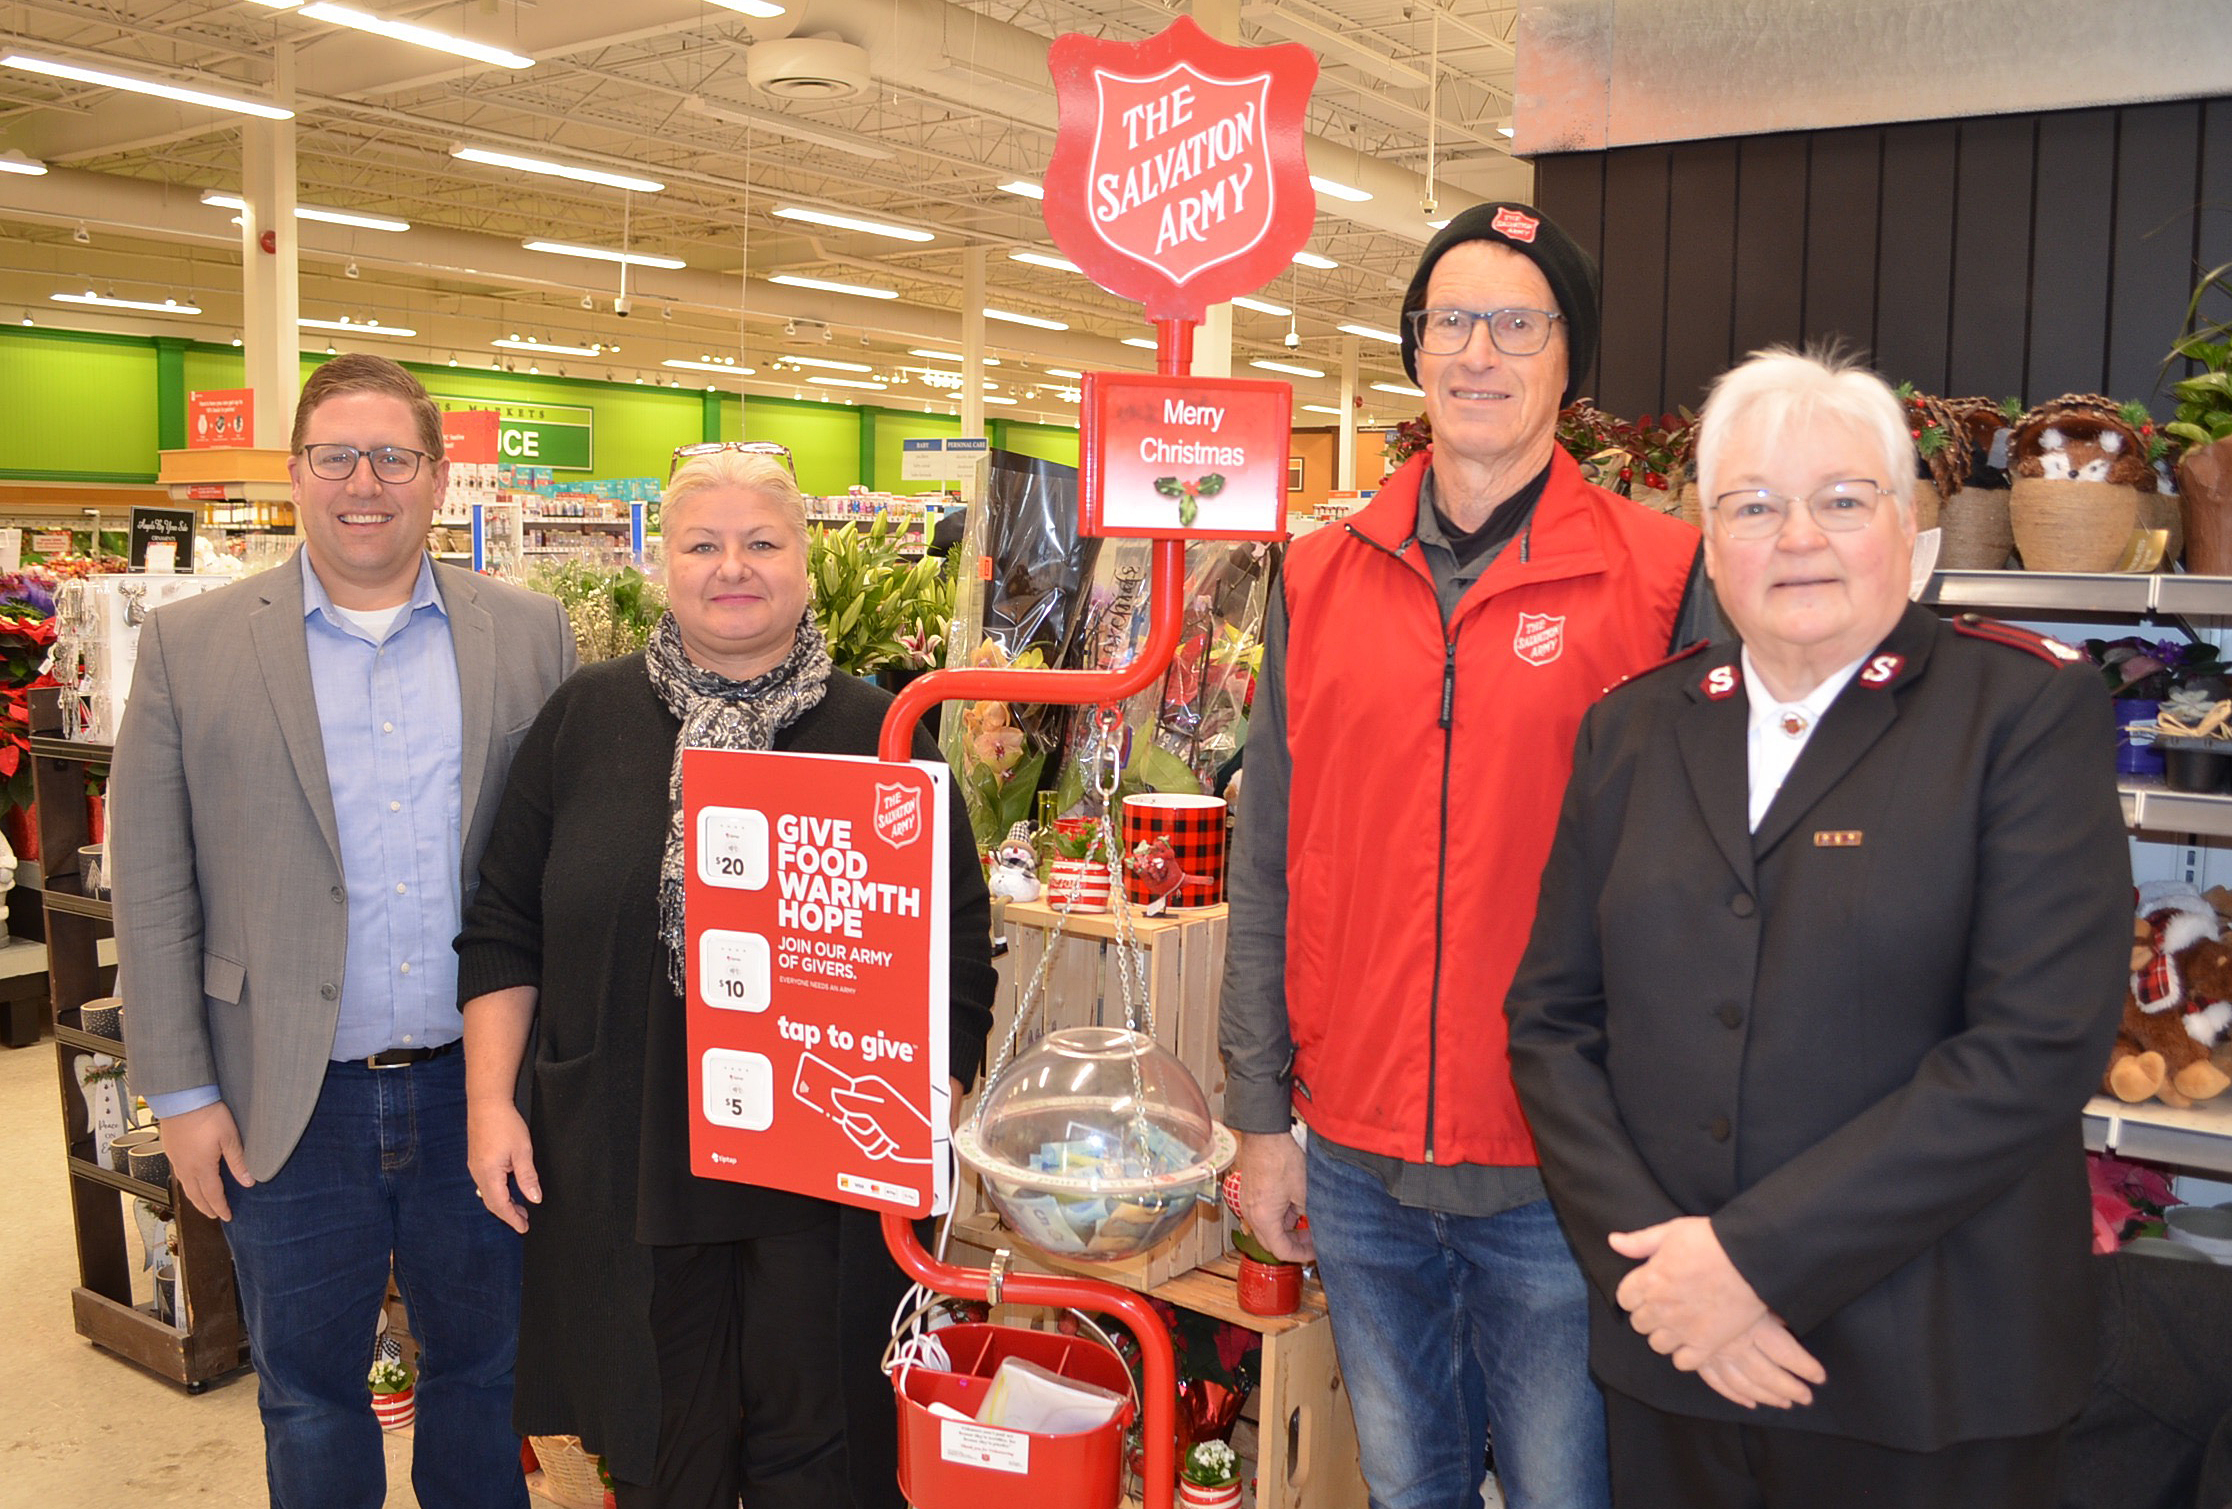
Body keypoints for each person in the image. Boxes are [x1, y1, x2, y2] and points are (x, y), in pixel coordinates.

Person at [1504, 346, 2131, 1508]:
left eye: (1842, 501)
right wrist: (1663, 1275)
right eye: (1753, 505)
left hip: (1934, 1383)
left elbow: (2034, 1048)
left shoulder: (2025, 714)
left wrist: (1750, 1264)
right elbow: (1551, 1022)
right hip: (1674, 1360)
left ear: (1908, 524)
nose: (1798, 537)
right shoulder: (1632, 734)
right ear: (1706, 534)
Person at [1218, 200, 1711, 1509]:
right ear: (1416, 349)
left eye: (1517, 323)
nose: (1478, 352)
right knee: (1405, 1489)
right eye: (1451, 322)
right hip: (1357, 1160)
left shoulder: (1662, 580)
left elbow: (1710, 888)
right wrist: (1260, 1118)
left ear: (1569, 360)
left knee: (1564, 1491)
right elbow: (1266, 858)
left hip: (1561, 1165)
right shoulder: (1320, 575)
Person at [456, 449, 996, 1509]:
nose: (732, 568)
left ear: (805, 560)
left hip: (822, 1169)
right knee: (666, 1453)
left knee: (823, 1444)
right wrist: (488, 1103)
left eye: (762, 542)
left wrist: (937, 1099)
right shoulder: (583, 721)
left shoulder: (880, 732)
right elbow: (505, 923)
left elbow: (957, 943)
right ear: (666, 562)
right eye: (703, 544)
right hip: (630, 1148)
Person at [113, 352, 577, 1509]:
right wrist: (178, 1097)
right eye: (336, 455)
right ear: (295, 472)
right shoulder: (194, 646)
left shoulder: (529, 636)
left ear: (438, 476)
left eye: (393, 457)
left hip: (479, 1093)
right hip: (282, 1098)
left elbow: (557, 877)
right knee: (309, 1394)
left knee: (485, 1377)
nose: (363, 482)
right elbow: (154, 884)